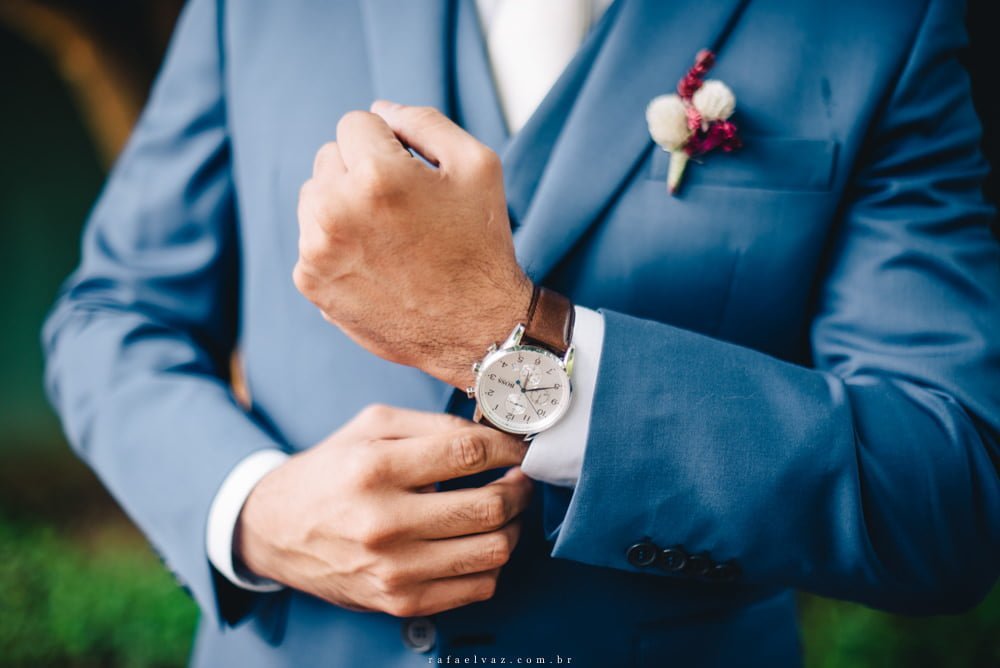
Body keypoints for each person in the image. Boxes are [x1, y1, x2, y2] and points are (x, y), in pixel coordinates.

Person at [43, 0, 1000, 666]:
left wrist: (513, 338)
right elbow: (111, 316)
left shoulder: (879, 18)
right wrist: (252, 510)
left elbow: (947, 491)